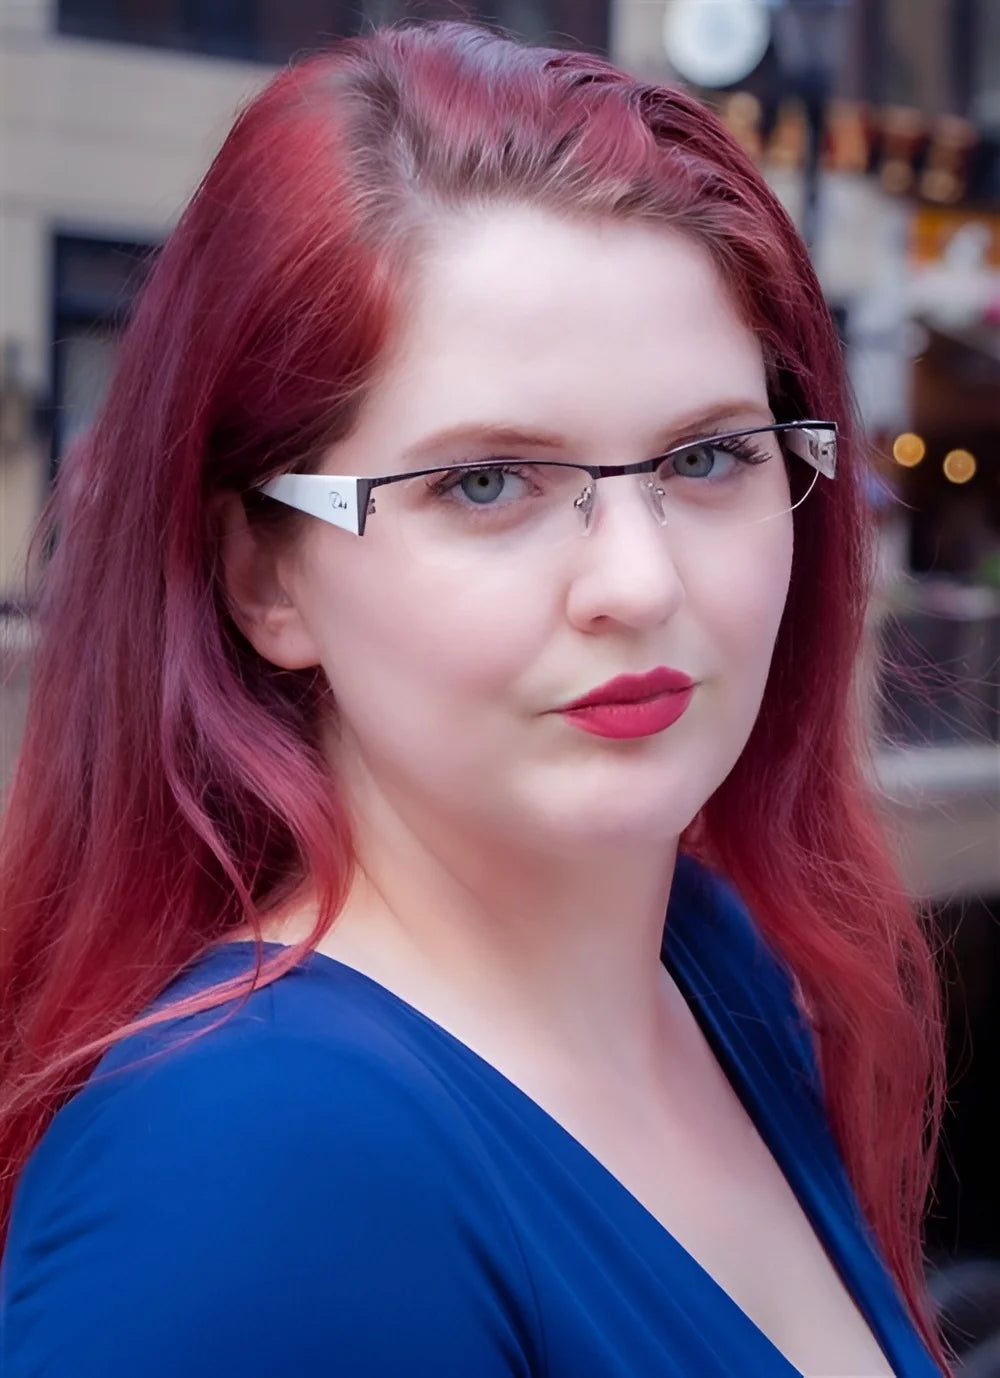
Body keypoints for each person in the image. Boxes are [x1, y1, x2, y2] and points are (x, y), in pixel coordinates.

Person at [0, 20, 950, 1377]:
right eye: (486, 482)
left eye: (707, 456)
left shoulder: (711, 962)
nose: (635, 579)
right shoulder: (249, 1176)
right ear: (265, 576)